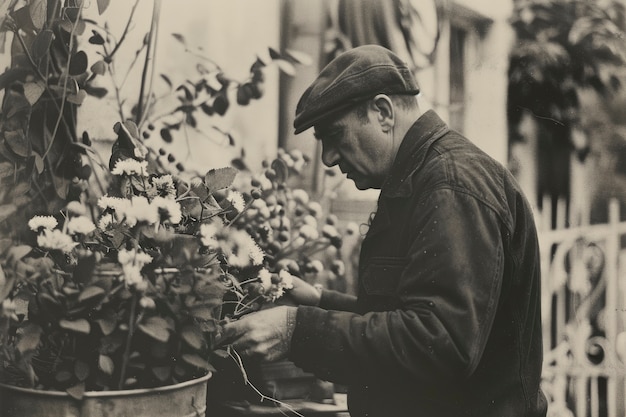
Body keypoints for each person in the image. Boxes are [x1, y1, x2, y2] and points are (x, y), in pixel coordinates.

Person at [218, 44, 548, 417]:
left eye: (335, 134)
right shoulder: (424, 177)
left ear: (383, 112)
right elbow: (408, 315)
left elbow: (439, 344)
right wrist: (319, 300)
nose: (328, 157)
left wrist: (298, 330)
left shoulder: (451, 185)